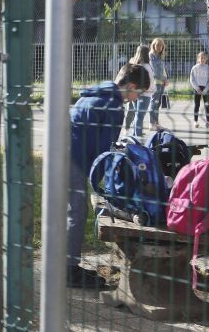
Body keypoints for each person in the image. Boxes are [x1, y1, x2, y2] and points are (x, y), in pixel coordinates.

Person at [68, 63, 151, 288]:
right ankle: (69, 272)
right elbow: (107, 152)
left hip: (63, 151)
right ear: (132, 86)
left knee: (71, 211)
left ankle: (67, 264)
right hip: (71, 158)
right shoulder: (113, 106)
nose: (136, 98)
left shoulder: (101, 90)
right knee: (77, 212)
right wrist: (112, 189)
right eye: (139, 93)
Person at [123, 45, 155, 137]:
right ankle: (138, 135)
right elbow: (150, 81)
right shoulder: (146, 66)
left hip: (135, 93)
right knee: (140, 115)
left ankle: (135, 133)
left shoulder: (135, 65)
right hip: (145, 94)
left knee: (137, 114)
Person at [148, 38, 169, 130]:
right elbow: (155, 71)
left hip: (162, 82)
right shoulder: (151, 55)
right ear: (153, 45)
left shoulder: (160, 56)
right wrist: (164, 79)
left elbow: (163, 69)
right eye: (158, 45)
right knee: (154, 102)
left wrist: (166, 79)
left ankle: (156, 123)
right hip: (156, 82)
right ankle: (151, 123)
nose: (160, 47)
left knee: (158, 103)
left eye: (161, 45)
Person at [190, 51, 209, 129]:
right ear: (198, 58)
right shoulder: (194, 68)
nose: (202, 59)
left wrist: (205, 90)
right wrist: (197, 88)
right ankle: (195, 121)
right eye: (201, 57)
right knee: (197, 105)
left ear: (206, 59)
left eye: (204, 58)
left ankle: (208, 121)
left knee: (206, 105)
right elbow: (192, 80)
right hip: (197, 89)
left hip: (206, 89)